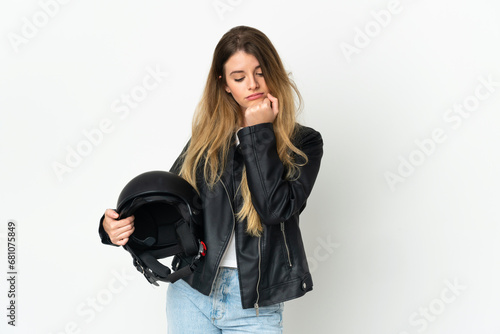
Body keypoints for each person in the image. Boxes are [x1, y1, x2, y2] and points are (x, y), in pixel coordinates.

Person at [98, 25, 323, 334]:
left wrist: (258, 133)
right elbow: (168, 207)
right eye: (239, 77)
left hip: (255, 307)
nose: (253, 85)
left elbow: (275, 210)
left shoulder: (304, 142)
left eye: (260, 72)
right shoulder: (205, 141)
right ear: (225, 84)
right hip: (192, 294)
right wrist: (112, 226)